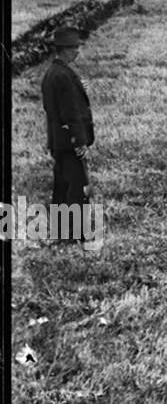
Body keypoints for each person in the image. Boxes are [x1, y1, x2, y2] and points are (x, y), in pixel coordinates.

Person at [41, 26, 95, 242]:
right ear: (63, 50)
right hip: (69, 141)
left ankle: (59, 232)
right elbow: (70, 112)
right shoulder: (64, 76)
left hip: (58, 141)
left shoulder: (53, 73)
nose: (77, 52)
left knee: (62, 187)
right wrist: (79, 141)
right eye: (74, 48)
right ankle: (76, 234)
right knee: (78, 187)